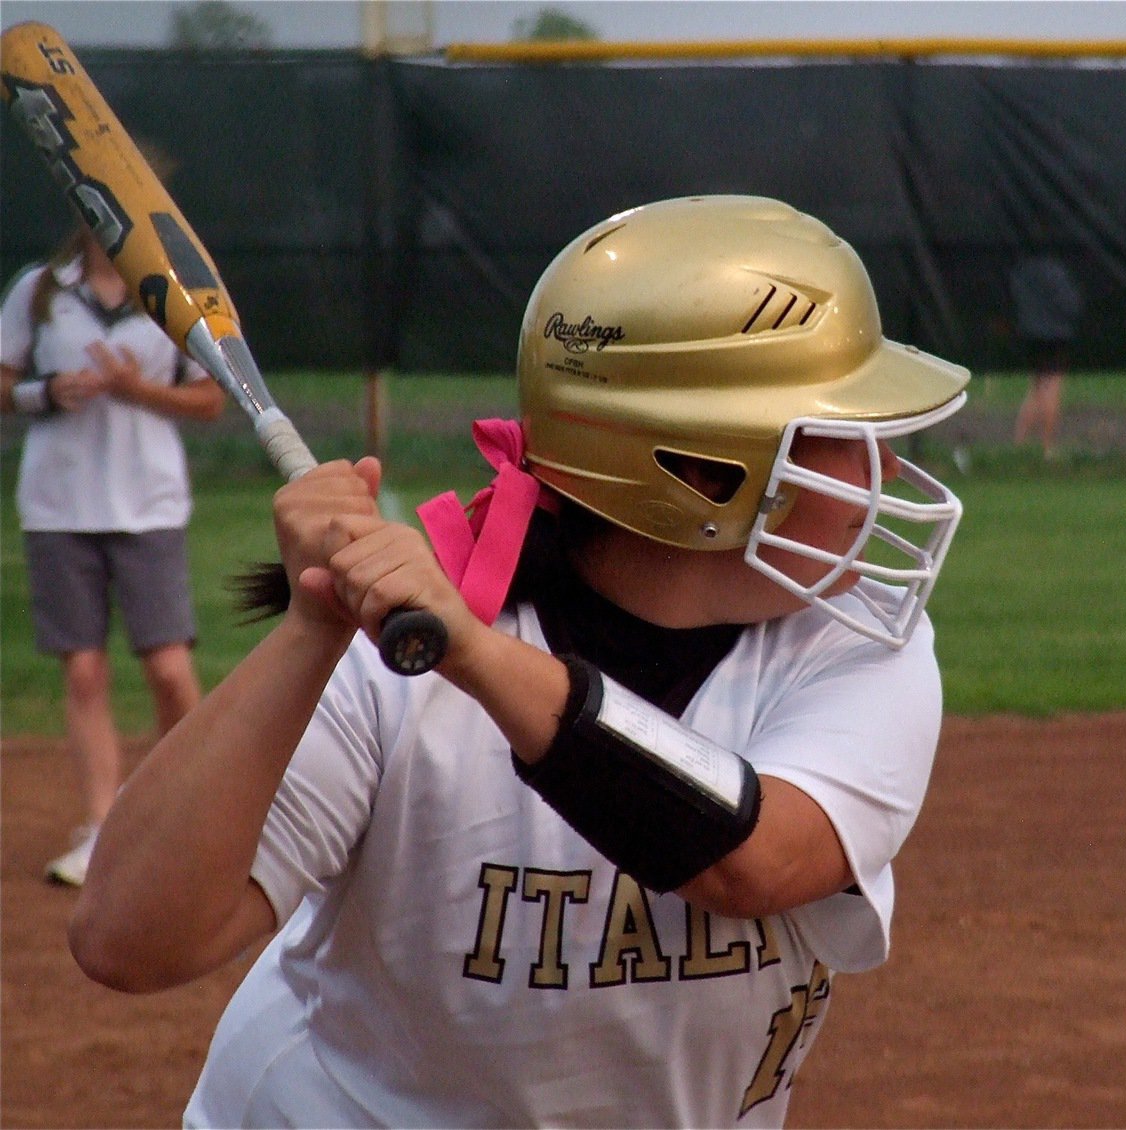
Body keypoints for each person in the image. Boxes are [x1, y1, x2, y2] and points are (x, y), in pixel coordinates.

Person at [70, 196, 969, 1129]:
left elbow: (759, 861)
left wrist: (475, 657)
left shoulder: (859, 640)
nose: (889, 470)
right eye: (851, 433)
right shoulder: (390, 659)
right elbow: (129, 939)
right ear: (703, 473)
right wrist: (310, 629)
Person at [0, 221, 226, 886]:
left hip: (148, 507)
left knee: (168, 670)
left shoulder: (174, 295)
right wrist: (47, 392)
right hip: (57, 507)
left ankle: (194, 813)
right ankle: (103, 829)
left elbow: (210, 399)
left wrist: (138, 392)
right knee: (84, 673)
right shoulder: (40, 291)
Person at [1009, 244, 1083, 459]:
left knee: (1036, 388)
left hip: (1029, 335)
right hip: (1056, 336)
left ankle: (1019, 445)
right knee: (1052, 388)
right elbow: (1071, 304)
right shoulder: (1057, 271)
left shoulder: (1021, 269)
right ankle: (1047, 448)